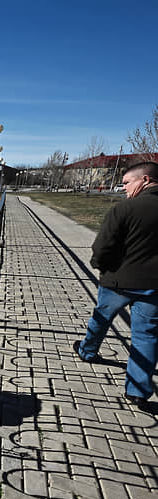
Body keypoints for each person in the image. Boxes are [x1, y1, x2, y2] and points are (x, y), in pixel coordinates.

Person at [74, 161, 158, 412]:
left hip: (118, 281)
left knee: (101, 318)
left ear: (144, 180)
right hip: (154, 286)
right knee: (147, 336)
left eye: (126, 183)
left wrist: (100, 265)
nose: (123, 189)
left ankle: (88, 351)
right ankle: (137, 391)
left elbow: (103, 246)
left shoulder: (125, 209)